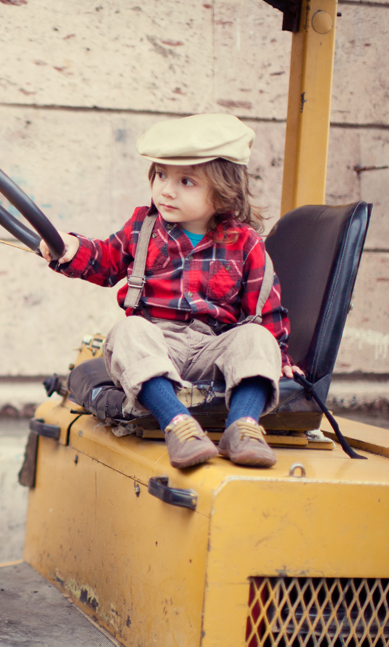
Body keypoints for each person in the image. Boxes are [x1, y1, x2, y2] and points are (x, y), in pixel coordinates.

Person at [39, 114, 303, 469]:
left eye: (186, 181)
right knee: (128, 331)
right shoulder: (142, 227)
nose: (166, 189)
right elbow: (105, 261)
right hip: (157, 344)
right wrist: (70, 249)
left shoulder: (246, 244)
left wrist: (280, 358)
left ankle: (243, 426)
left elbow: (266, 310)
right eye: (161, 175)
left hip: (214, 348)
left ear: (224, 190)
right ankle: (178, 424)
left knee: (256, 337)